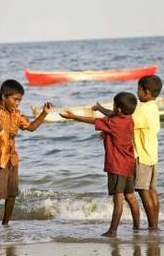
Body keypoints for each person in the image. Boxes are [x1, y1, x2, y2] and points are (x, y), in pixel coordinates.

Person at [60, 92, 140, 237]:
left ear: (119, 109)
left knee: (118, 199)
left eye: (115, 105)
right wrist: (101, 108)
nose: (113, 108)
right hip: (129, 165)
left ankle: (113, 230)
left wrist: (74, 117)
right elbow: (111, 114)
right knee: (131, 197)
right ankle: (137, 227)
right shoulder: (129, 119)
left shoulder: (114, 123)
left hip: (117, 166)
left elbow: (93, 121)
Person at [0, 79, 52, 228]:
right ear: (4, 96)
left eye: (20, 100)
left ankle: (6, 226)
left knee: (11, 196)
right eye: (15, 99)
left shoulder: (16, 113)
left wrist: (44, 113)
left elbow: (30, 127)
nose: (17, 103)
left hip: (12, 159)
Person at [93, 75, 162, 229]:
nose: (136, 93)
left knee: (143, 191)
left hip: (141, 156)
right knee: (151, 190)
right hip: (153, 155)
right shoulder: (154, 107)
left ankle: (152, 226)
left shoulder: (141, 111)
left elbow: (119, 118)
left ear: (147, 92)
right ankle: (155, 225)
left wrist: (101, 110)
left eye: (138, 90)